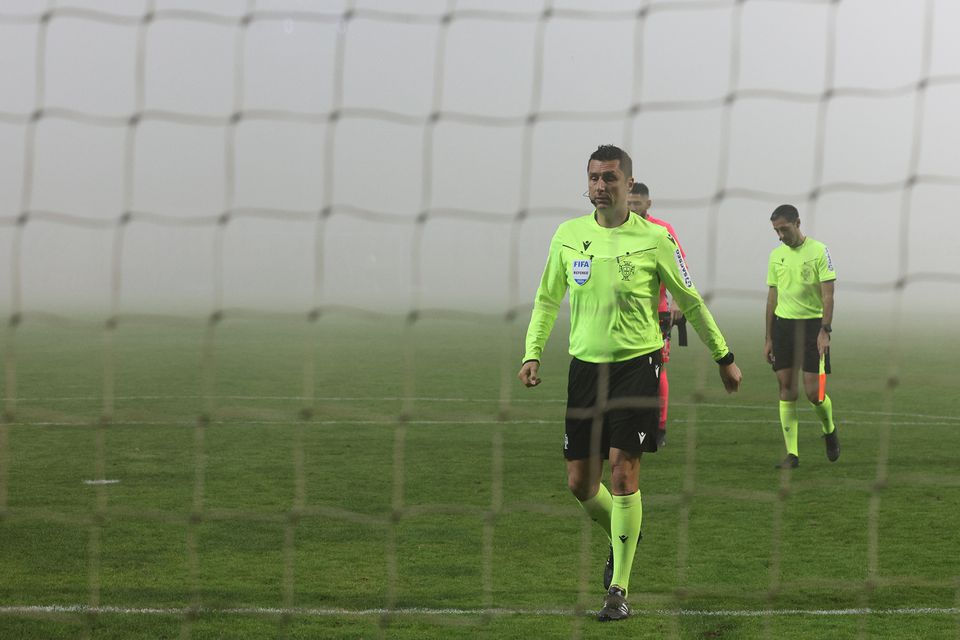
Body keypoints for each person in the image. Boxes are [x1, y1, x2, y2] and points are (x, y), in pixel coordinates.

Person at [518, 144, 742, 622]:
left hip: (637, 368)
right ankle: (623, 533)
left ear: (628, 184)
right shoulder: (567, 235)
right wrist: (531, 352)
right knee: (580, 484)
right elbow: (545, 300)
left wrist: (723, 356)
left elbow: (692, 300)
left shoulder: (655, 239)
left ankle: (618, 588)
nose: (600, 186)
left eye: (610, 178)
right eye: (594, 178)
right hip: (584, 370)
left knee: (623, 474)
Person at [764, 204, 840, 468]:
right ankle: (792, 454)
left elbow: (828, 295)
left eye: (784, 229)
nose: (780, 235)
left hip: (812, 328)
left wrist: (825, 330)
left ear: (798, 223)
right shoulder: (776, 256)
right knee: (786, 389)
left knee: (814, 393)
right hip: (784, 327)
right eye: (776, 230)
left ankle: (829, 429)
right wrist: (769, 337)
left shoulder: (819, 251)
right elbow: (772, 297)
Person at [626, 183, 685, 448]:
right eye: (628, 203)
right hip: (625, 314)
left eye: (637, 203)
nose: (632, 208)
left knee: (657, 368)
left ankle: (659, 426)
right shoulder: (618, 230)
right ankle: (628, 423)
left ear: (648, 204)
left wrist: (678, 301)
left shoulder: (662, 230)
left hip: (657, 312)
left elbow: (678, 268)